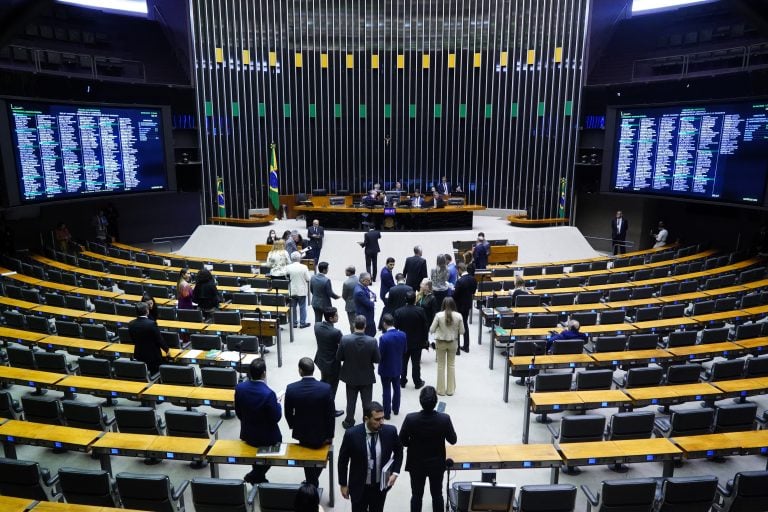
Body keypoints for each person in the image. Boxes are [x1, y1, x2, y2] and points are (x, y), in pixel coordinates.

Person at [399, 385, 457, 512]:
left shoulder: (410, 419)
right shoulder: (444, 419)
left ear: (420, 401)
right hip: (436, 464)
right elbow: (453, 440)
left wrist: (411, 444)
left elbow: (402, 439)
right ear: (436, 402)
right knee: (437, 495)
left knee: (416, 495)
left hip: (416, 464)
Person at [338, 401, 403, 512]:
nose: (381, 422)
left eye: (382, 418)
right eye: (377, 419)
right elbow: (342, 461)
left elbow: (399, 451)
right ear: (366, 419)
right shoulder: (351, 435)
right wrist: (343, 484)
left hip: (380, 487)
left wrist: (395, 473)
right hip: (359, 487)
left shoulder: (390, 432)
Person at [284, 357, 336, 487]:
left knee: (306, 458)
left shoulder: (291, 388)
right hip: (322, 432)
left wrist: (293, 426)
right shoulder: (326, 388)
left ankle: (311, 482)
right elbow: (330, 414)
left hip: (302, 431)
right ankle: (312, 483)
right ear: (313, 370)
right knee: (319, 459)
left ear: (300, 371)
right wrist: (330, 434)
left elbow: (288, 412)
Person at [235, 359, 282, 485]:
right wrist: (277, 404)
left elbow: (238, 412)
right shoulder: (269, 394)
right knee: (278, 444)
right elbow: (276, 417)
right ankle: (255, 475)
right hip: (268, 439)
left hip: (248, 434)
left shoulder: (240, 388)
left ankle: (257, 476)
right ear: (264, 373)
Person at [337, 315, 380, 429]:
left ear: (353, 325)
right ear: (365, 325)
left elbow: (339, 357)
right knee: (367, 403)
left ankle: (349, 421)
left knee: (350, 401)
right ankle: (367, 422)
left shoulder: (345, 339)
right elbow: (377, 359)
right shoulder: (372, 341)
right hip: (367, 377)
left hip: (350, 376)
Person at [430, 297, 464, 396]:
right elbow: (462, 331)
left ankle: (440, 390)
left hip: (440, 343)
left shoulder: (438, 315)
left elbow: (431, 329)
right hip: (453, 342)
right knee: (451, 365)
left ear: (443, 304)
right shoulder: (458, 316)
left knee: (440, 366)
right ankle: (450, 390)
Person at [394, 290, 428, 390]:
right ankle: (417, 381)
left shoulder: (398, 312)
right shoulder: (420, 311)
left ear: (405, 299)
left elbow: (396, 327)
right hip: (417, 342)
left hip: (404, 341)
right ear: (415, 300)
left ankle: (402, 381)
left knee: (403, 362)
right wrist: (425, 340)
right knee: (416, 363)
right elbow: (425, 327)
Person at [314, 307, 344, 416]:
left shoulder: (317, 326)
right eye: (336, 315)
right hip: (332, 363)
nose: (338, 317)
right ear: (331, 318)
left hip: (321, 360)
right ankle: (330, 410)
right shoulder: (336, 332)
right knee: (332, 388)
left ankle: (320, 404)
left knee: (323, 381)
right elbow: (343, 346)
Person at [128, 301, 169, 375]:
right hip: (153, 356)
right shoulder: (151, 324)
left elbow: (133, 339)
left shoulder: (131, 324)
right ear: (147, 311)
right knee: (155, 373)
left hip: (139, 353)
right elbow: (159, 339)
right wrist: (166, 350)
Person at [377, 314, 406, 419]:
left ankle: (387, 413)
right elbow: (404, 350)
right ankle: (396, 409)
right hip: (397, 366)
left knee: (386, 390)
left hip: (385, 368)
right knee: (397, 388)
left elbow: (380, 355)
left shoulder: (383, 338)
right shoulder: (403, 335)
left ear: (384, 323)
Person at [452, 262, 477, 353]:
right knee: (465, 325)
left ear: (459, 269)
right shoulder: (473, 279)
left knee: (457, 326)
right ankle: (466, 347)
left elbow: (455, 295)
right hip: (467, 305)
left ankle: (457, 348)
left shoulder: (460, 281)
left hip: (459, 306)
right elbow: (473, 292)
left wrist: (452, 290)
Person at [286, 251, 311, 328]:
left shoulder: (288, 267)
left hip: (292, 290)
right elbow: (308, 278)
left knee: (293, 307)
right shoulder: (304, 267)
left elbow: (286, 278)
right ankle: (302, 323)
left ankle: (294, 323)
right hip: (301, 290)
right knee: (302, 307)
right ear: (299, 258)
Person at [354, 272, 377, 337]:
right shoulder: (359, 292)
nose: (370, 282)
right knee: (369, 333)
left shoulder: (363, 286)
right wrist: (372, 301)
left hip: (368, 314)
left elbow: (372, 294)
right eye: (369, 280)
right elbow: (369, 304)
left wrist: (372, 298)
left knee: (373, 331)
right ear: (363, 280)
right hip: (365, 315)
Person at [342, 265, 358, 331]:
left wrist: (348, 300)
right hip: (359, 303)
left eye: (346, 271)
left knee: (352, 322)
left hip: (351, 305)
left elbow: (344, 296)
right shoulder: (359, 279)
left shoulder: (346, 283)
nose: (345, 272)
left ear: (349, 272)